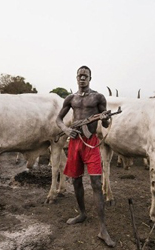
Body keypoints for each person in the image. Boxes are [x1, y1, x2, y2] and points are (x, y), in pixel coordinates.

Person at [56, 65, 115, 247]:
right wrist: (66, 129)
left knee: (97, 183)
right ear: (76, 78)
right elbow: (58, 119)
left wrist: (104, 118)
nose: (82, 78)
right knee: (75, 181)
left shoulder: (98, 97)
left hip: (91, 144)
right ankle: (82, 214)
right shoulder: (70, 98)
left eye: (85, 75)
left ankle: (103, 229)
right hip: (74, 143)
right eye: (80, 75)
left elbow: (105, 123)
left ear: (90, 78)